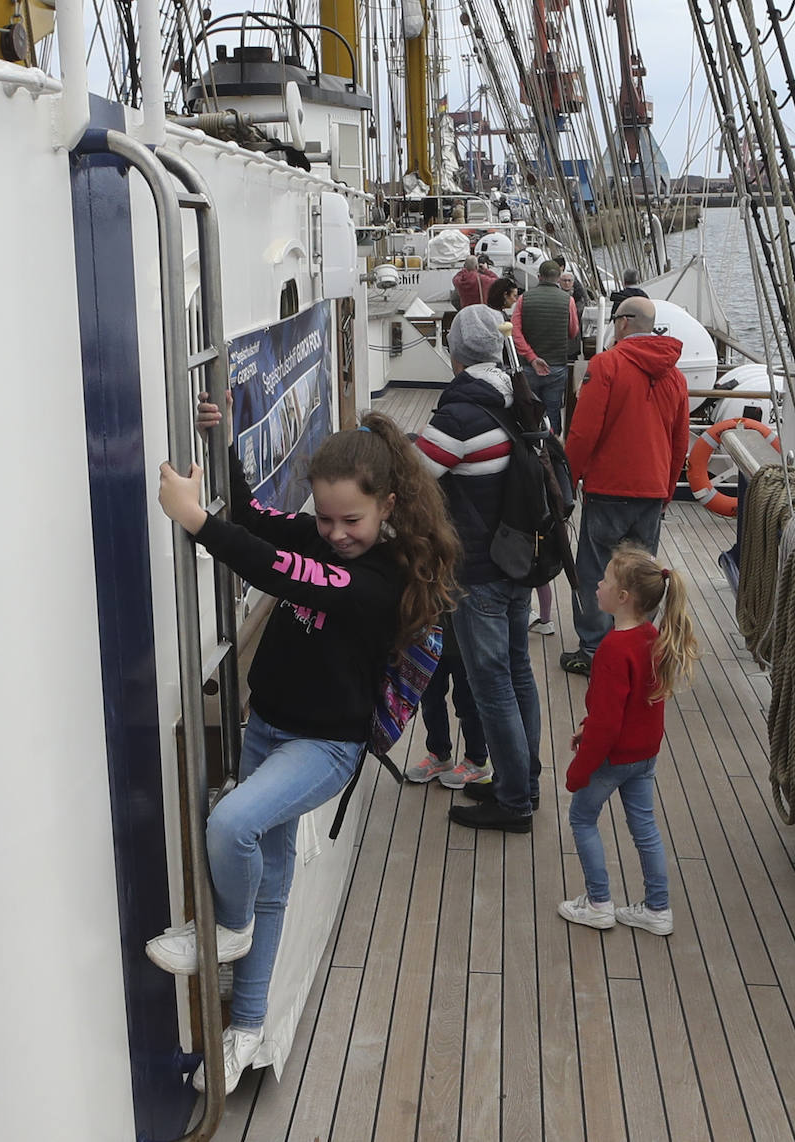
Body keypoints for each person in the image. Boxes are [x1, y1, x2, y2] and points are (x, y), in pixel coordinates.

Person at [146, 403, 459, 1093]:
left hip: (325, 747)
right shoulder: (320, 534)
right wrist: (219, 440)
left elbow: (282, 573)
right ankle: (246, 1032)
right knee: (274, 888)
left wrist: (195, 519)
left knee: (231, 823)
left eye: (352, 520)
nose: (335, 534)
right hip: (268, 725)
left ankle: (225, 933)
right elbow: (260, 523)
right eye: (325, 519)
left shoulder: (381, 580)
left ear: (389, 507)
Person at [417, 304, 541, 832]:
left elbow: (417, 478)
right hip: (518, 561)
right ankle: (524, 781)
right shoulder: (521, 399)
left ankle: (513, 802)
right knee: (518, 675)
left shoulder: (460, 413)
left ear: (455, 354)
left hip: (478, 574)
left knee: (491, 687)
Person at [558, 543, 697, 934]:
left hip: (612, 758)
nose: (597, 585)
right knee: (644, 827)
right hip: (644, 755)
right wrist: (591, 725)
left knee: (582, 818)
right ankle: (657, 909)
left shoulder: (612, 650)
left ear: (622, 598)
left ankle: (599, 902)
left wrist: (578, 770)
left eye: (604, 580)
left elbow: (607, 724)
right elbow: (630, 706)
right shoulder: (653, 636)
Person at [560, 296, 689, 675]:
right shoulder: (676, 376)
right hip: (651, 492)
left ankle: (594, 649)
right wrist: (666, 490)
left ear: (623, 324)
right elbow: (680, 440)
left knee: (597, 569)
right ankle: (634, 647)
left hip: (609, 489)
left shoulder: (607, 365)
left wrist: (568, 479)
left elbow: (584, 432)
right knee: (640, 573)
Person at [404, 612, 492, 788]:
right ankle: (439, 755)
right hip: (431, 634)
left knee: (468, 703)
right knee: (430, 698)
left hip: (466, 639)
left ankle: (477, 761)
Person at [512, 258, 579, 436]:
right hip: (556, 364)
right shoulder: (568, 301)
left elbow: (515, 332)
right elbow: (573, 331)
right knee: (552, 408)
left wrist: (532, 357)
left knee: (530, 409)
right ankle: (553, 446)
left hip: (528, 365)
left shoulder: (523, 299)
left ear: (539, 277)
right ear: (558, 278)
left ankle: (532, 446)